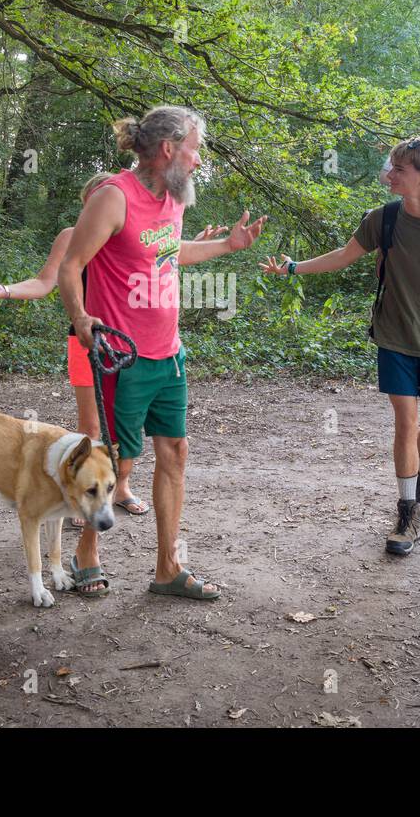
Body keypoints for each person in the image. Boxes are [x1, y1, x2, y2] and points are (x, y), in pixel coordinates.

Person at [260, 134, 420, 556]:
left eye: (399, 169)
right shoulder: (383, 218)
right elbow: (343, 254)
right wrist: (294, 268)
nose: (389, 175)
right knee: (405, 422)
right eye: (391, 167)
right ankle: (407, 512)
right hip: (393, 335)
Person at [59, 105, 266, 598]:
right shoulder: (113, 198)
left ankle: (168, 569)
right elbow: (70, 266)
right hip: (122, 357)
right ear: (169, 150)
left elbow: (169, 252)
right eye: (194, 150)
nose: (198, 161)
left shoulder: (174, 200)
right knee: (119, 465)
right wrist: (81, 319)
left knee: (174, 451)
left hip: (168, 353)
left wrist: (227, 248)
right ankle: (87, 551)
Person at [0, 173, 227, 528]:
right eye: (95, 199)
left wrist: (192, 245)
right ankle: (83, 493)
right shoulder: (72, 237)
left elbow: (161, 261)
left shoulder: (134, 229)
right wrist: (6, 290)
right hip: (87, 342)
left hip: (130, 344)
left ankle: (119, 487)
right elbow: (46, 282)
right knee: (93, 426)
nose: (102, 204)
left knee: (127, 429)